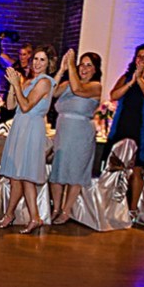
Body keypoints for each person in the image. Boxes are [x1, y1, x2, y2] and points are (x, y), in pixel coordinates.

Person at [0, 44, 57, 233]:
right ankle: (15, 215)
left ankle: (32, 217)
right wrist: (12, 86)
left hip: (31, 129)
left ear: (49, 64)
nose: (38, 63)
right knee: (16, 176)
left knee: (25, 175)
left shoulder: (45, 82)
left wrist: (16, 84)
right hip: (19, 127)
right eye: (36, 59)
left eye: (42, 60)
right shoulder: (30, 81)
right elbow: (10, 105)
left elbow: (26, 106)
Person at [105, 43, 144, 213]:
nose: (141, 59)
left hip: (143, 128)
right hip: (124, 124)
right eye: (138, 56)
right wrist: (132, 81)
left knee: (137, 169)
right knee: (117, 165)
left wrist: (140, 79)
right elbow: (114, 95)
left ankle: (132, 210)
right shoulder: (126, 77)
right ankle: (113, 204)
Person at [49, 49, 102, 225]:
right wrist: (62, 69)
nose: (84, 68)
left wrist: (71, 64)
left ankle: (66, 210)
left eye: (89, 65)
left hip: (81, 133)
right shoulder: (68, 84)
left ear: (95, 70)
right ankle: (56, 207)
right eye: (82, 64)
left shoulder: (95, 86)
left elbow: (79, 90)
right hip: (63, 130)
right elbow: (52, 92)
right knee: (58, 170)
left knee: (76, 171)